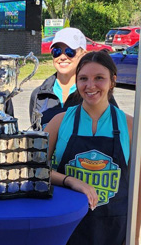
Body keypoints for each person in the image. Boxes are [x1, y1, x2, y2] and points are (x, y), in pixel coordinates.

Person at [44, 51, 139, 244]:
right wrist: (70, 180)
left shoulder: (130, 125)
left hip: (114, 229)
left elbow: (139, 188)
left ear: (113, 81)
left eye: (99, 78)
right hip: (67, 229)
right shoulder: (59, 122)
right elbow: (33, 169)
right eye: (83, 78)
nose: (90, 85)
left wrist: (134, 236)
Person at [29, 27, 117, 130]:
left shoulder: (94, 93)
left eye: (69, 51)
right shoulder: (39, 94)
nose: (62, 56)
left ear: (83, 54)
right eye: (57, 51)